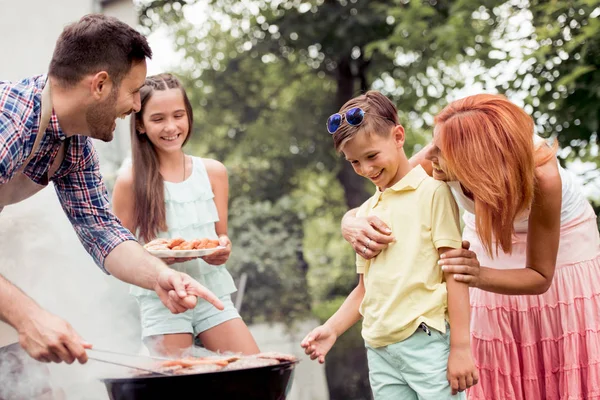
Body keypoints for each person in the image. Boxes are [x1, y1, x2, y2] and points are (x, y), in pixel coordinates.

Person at [0, 14, 224, 371]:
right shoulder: (9, 121)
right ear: (100, 85)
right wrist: (28, 317)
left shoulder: (73, 146)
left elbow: (102, 231)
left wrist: (159, 276)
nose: (136, 106)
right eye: (134, 91)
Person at [341, 93, 600, 399]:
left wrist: (477, 275)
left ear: (476, 161)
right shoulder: (439, 155)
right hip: (486, 237)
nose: (428, 155)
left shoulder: (542, 176)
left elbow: (540, 277)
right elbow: (387, 198)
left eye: (439, 151)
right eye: (433, 144)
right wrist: (350, 221)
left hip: (563, 246)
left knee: (553, 346)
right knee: (490, 349)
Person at [301, 91, 478, 399]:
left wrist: (461, 348)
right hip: (380, 348)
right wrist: (332, 329)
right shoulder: (367, 213)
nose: (366, 169)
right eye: (354, 162)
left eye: (372, 156)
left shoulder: (432, 193)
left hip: (426, 344)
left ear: (398, 136)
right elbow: (364, 288)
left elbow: (454, 274)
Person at [111, 73, 259, 357]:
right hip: (162, 299)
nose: (171, 127)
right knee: (177, 386)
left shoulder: (214, 172)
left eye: (178, 115)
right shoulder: (130, 180)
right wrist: (157, 260)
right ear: (140, 124)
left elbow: (220, 236)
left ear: (188, 117)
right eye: (158, 119)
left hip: (212, 290)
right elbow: (118, 251)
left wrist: (222, 250)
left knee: (253, 370)